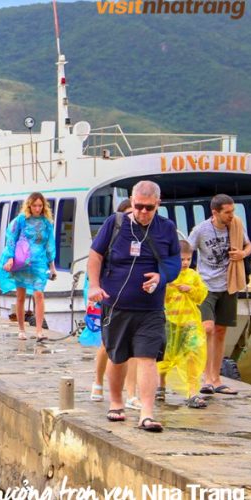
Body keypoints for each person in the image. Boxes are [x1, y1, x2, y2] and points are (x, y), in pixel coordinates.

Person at [87, 180, 181, 432]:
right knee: (118, 356)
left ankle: (146, 413)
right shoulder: (115, 224)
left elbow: (174, 261)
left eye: (149, 208)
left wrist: (161, 276)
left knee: (148, 358)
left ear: (157, 204)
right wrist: (94, 286)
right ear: (132, 200)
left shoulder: (166, 228)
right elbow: (95, 255)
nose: (142, 212)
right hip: (116, 302)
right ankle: (116, 402)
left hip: (150, 307)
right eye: (138, 206)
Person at [187, 194, 251, 396]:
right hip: (206, 286)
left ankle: (216, 378)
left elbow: (248, 246)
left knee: (221, 331)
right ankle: (205, 377)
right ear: (215, 212)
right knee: (207, 328)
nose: (232, 215)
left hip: (228, 284)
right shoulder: (201, 230)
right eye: (227, 212)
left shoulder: (236, 225)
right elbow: (187, 251)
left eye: (233, 211)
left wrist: (243, 254)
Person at [0, 192, 57, 341]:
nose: (37, 208)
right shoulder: (21, 220)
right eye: (34, 205)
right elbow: (11, 238)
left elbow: (50, 245)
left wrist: (52, 266)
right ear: (29, 205)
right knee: (21, 296)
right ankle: (21, 329)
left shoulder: (47, 223)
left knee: (39, 294)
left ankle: (39, 331)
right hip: (22, 261)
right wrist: (10, 257)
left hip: (39, 262)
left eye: (40, 205)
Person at [157, 240, 209, 408]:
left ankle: (192, 391)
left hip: (190, 322)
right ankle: (161, 385)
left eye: (188, 259)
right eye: (182, 259)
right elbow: (160, 298)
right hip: (171, 322)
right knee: (166, 357)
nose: (185, 263)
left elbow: (201, 295)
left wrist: (191, 289)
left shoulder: (193, 276)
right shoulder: (167, 275)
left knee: (193, 354)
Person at [92, 199, 132, 402]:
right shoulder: (114, 230)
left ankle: (132, 394)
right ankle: (98, 382)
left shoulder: (145, 234)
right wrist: (94, 288)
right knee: (107, 343)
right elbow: (95, 257)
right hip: (111, 294)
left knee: (135, 349)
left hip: (136, 299)